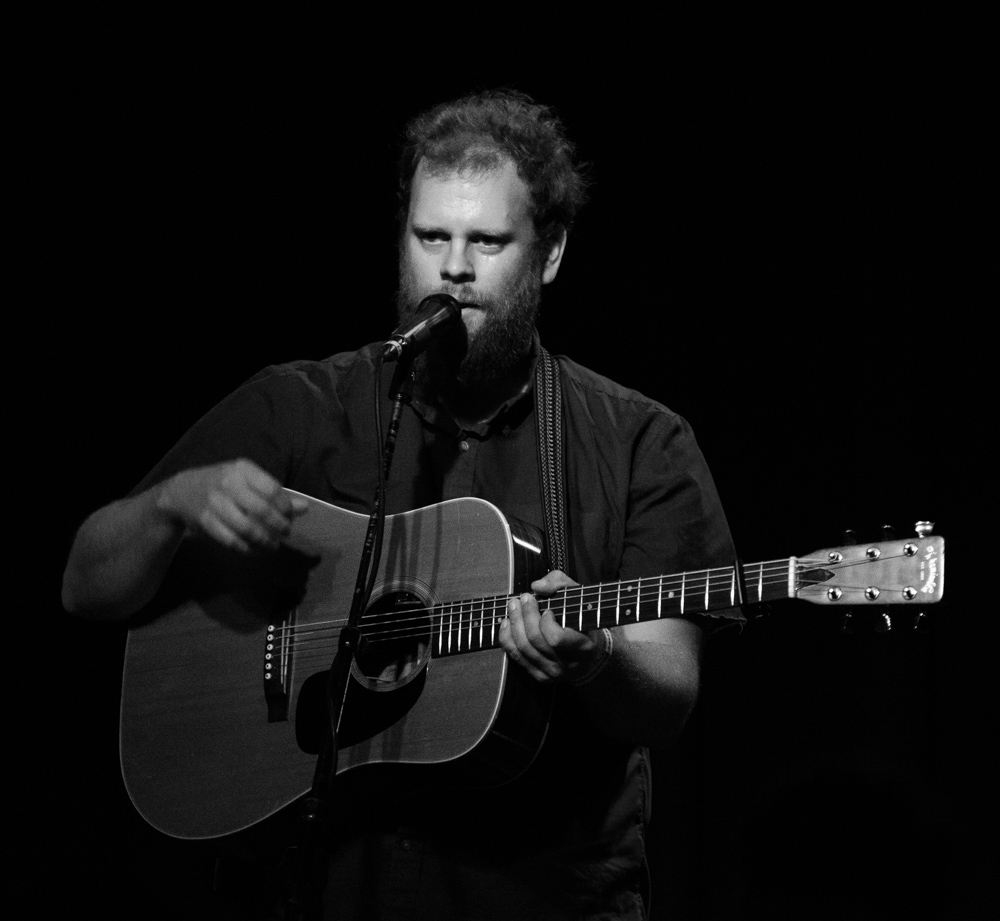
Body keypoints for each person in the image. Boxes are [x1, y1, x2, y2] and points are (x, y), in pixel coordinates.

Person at [62, 90, 740, 920]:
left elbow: (669, 691)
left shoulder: (641, 441)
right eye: (431, 237)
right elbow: (86, 583)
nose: (453, 268)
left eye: (487, 241)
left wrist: (600, 656)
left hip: (535, 897)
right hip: (315, 891)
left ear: (550, 253)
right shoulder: (299, 407)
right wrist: (172, 503)